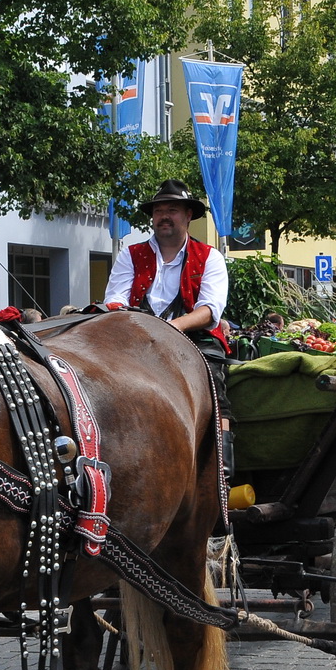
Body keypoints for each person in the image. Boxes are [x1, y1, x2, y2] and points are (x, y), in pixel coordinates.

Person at [102, 179, 232, 471]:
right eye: (159, 210)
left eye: (172, 210)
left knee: (214, 382)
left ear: (188, 216)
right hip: (136, 335)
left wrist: (174, 327)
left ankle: (221, 463)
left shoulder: (210, 257)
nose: (164, 216)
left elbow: (210, 310)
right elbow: (114, 300)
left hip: (195, 338)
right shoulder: (130, 255)